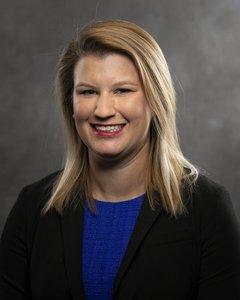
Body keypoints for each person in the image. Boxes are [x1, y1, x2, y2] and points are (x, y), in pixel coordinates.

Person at [0, 19, 240, 300]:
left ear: (155, 99)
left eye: (122, 90)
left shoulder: (207, 208)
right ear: (71, 103)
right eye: (88, 92)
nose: (103, 110)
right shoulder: (33, 209)